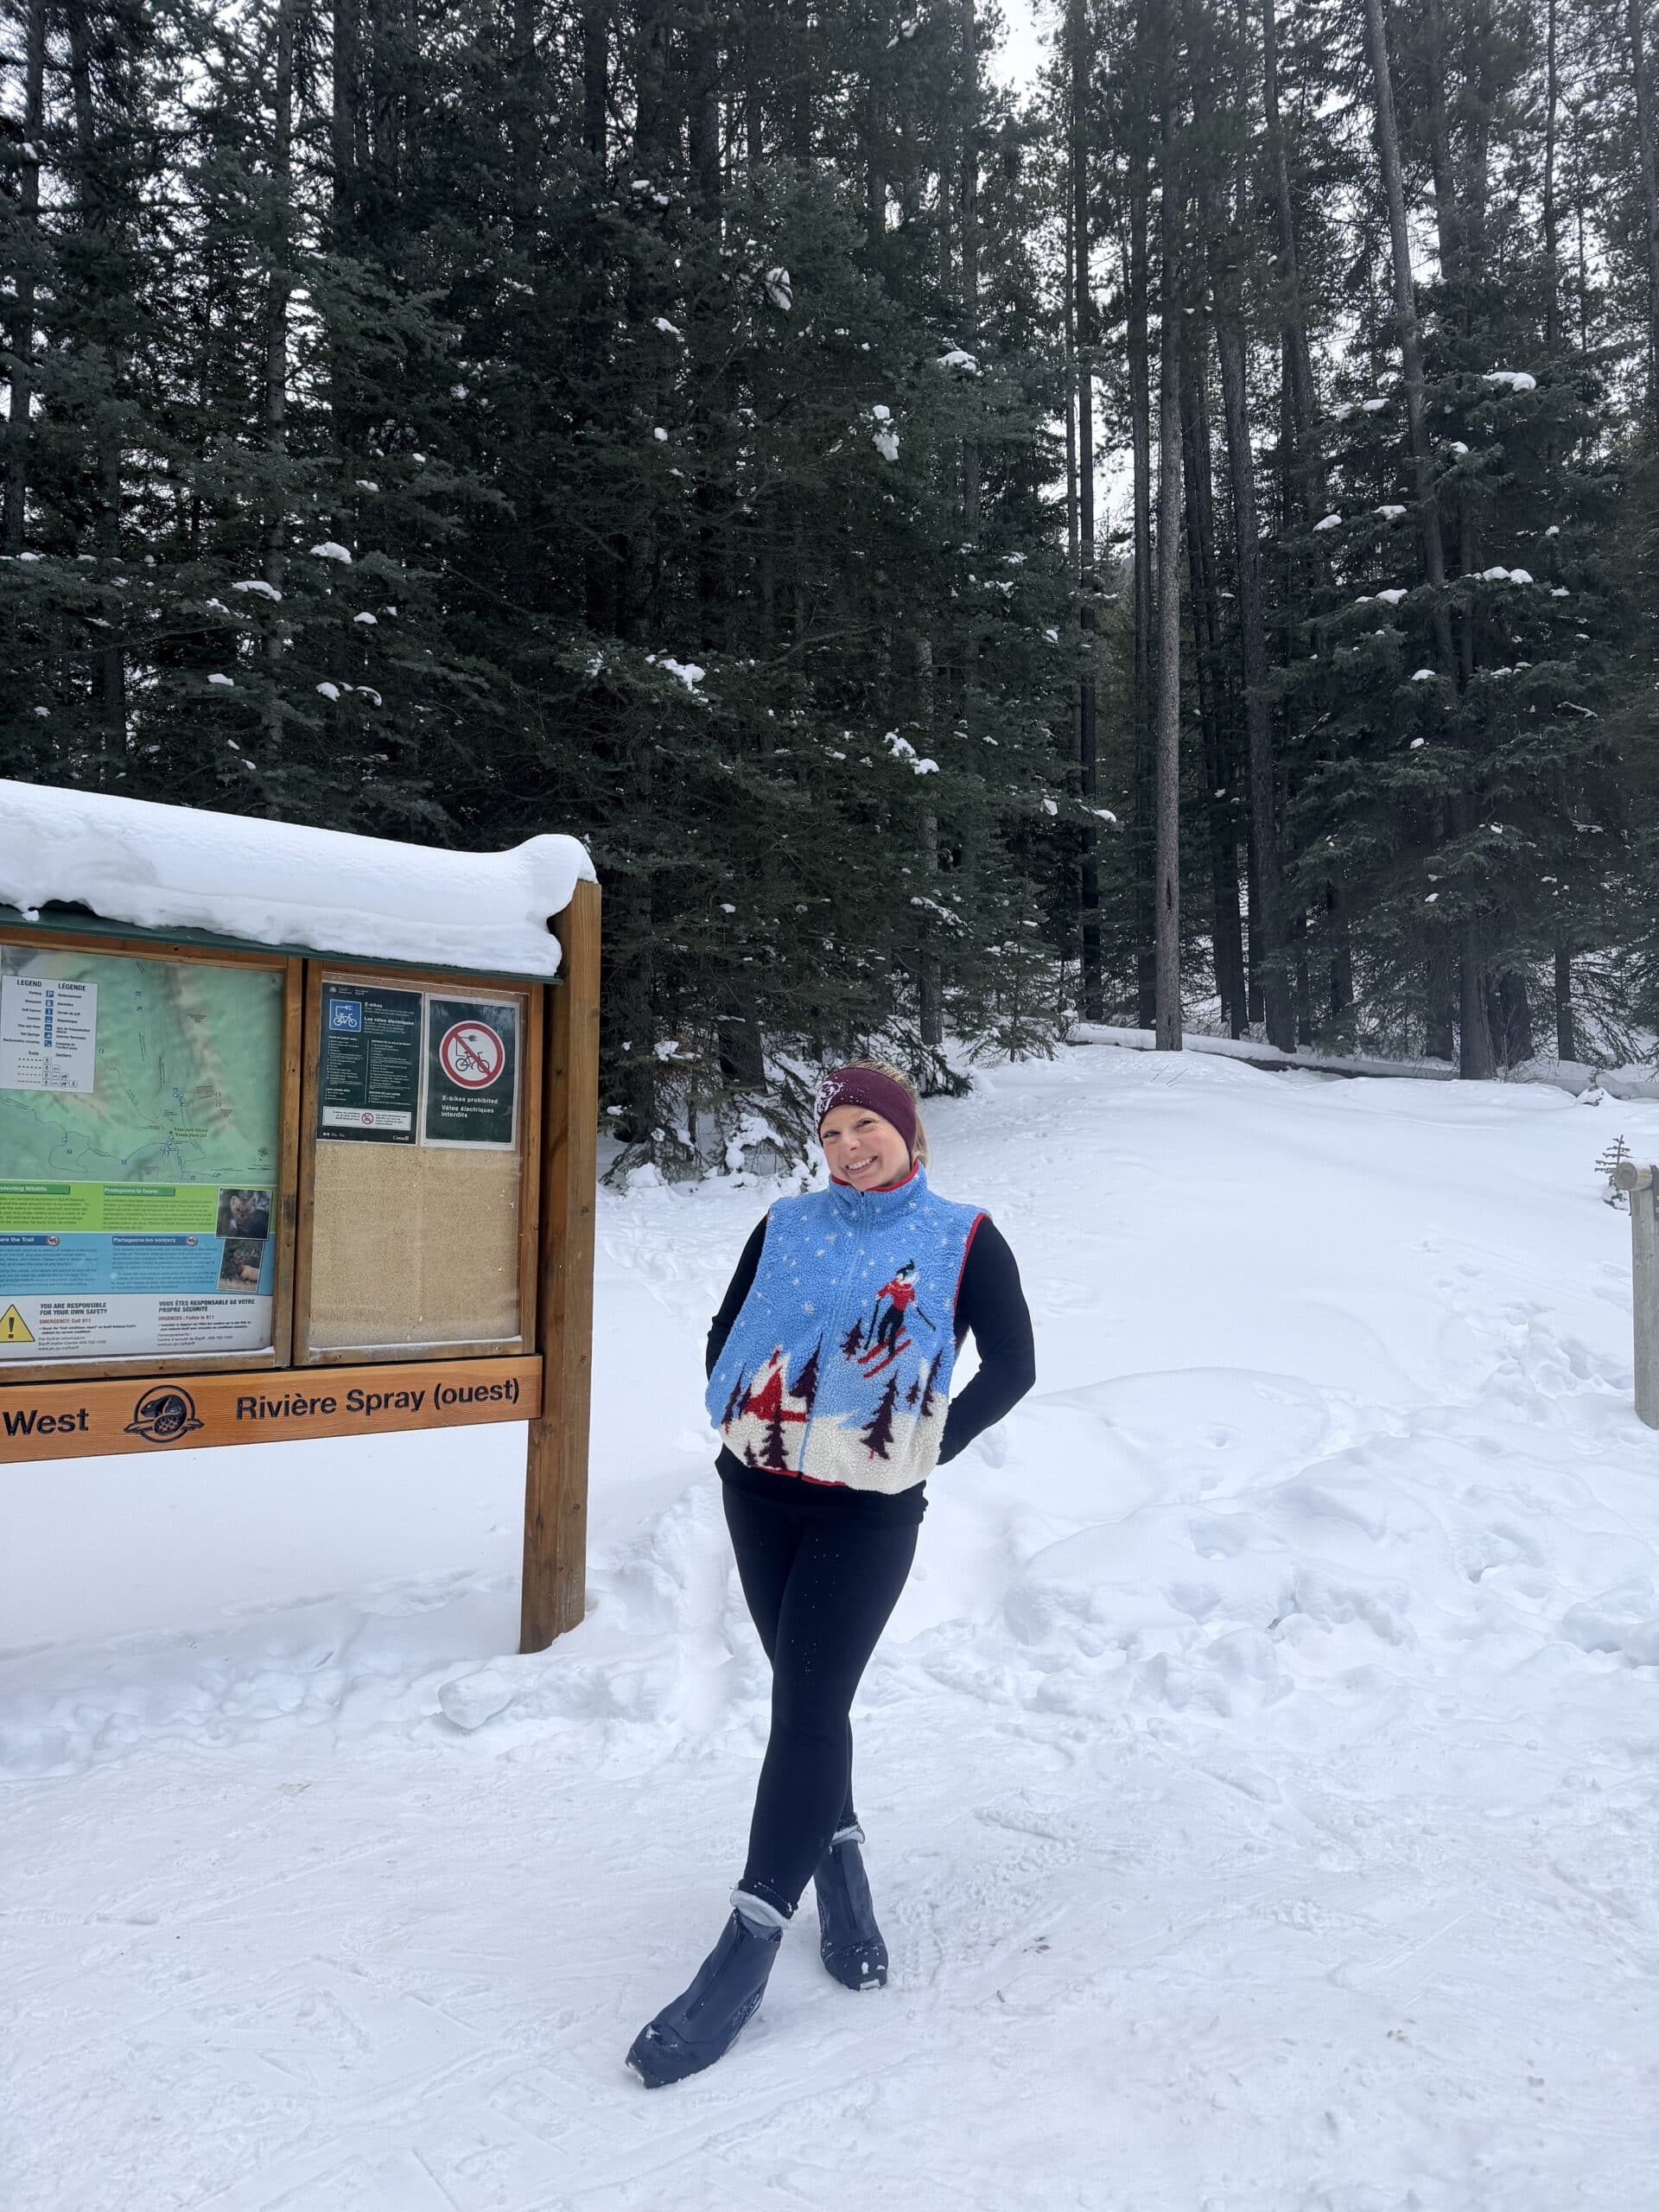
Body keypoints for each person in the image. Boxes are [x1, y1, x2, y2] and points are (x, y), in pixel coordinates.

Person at [626, 1060, 1036, 2088]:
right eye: (834, 1131)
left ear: (909, 1133)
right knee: (808, 1693)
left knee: (809, 1706)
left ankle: (748, 1945)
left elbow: (1015, 1363)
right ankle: (841, 1866)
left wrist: (920, 1447)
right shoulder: (786, 1223)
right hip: (758, 1489)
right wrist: (735, 1404)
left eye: (869, 1126)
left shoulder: (963, 1237)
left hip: (869, 1507)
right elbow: (728, 1325)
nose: (850, 1146)